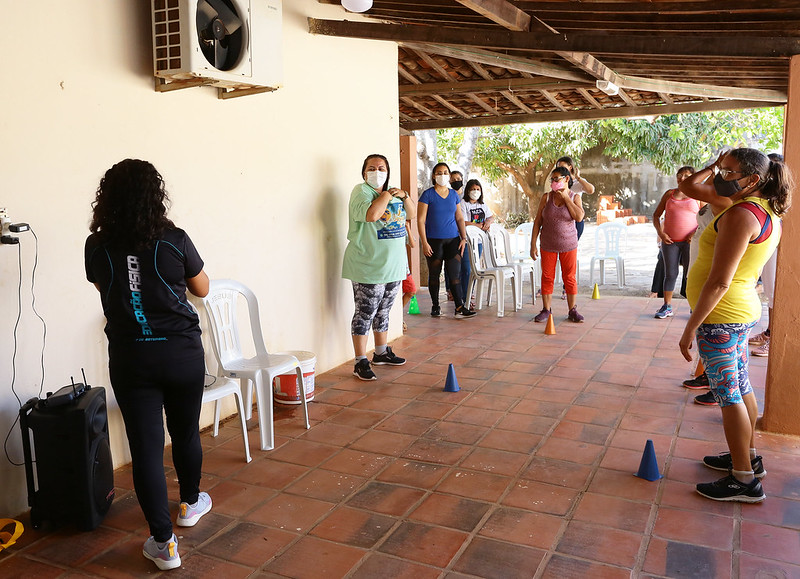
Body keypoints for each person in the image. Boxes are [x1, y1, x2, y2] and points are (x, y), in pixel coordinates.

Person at [84, 159, 212, 570]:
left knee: (145, 449)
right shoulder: (174, 238)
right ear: (155, 195)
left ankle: (164, 543)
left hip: (132, 356)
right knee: (185, 432)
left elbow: (109, 291)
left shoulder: (96, 245)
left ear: (108, 199)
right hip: (181, 354)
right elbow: (203, 288)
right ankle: (190, 504)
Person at [679, 148, 792, 503]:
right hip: (738, 313)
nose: (720, 177)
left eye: (728, 172)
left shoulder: (743, 214)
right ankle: (749, 456)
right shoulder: (765, 210)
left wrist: (690, 328)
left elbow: (719, 282)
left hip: (721, 316)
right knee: (740, 386)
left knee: (728, 395)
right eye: (721, 170)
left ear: (753, 180)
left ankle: (743, 479)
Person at [343, 154, 415, 380]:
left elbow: (411, 215)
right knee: (365, 312)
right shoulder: (361, 192)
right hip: (368, 266)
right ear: (364, 173)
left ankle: (381, 352)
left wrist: (404, 196)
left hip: (393, 266)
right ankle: (359, 360)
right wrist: (385, 195)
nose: (377, 171)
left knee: (384, 311)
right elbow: (371, 214)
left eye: (381, 167)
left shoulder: (395, 193)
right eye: (371, 168)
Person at [418, 162, 476, 318]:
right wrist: (424, 242)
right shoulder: (427, 195)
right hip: (433, 241)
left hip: (453, 241)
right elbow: (420, 220)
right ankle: (435, 306)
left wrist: (463, 238)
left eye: (445, 172)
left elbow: (459, 217)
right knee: (434, 275)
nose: (442, 175)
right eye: (439, 172)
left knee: (454, 274)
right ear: (433, 176)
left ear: (449, 176)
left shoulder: (453, 195)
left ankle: (459, 307)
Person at [530, 166, 585, 323]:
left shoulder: (575, 197)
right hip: (548, 244)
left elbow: (579, 217)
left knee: (569, 277)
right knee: (547, 277)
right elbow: (538, 221)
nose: (553, 182)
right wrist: (533, 243)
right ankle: (546, 310)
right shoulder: (546, 197)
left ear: (566, 179)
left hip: (569, 244)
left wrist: (566, 198)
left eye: (556, 179)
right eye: (551, 180)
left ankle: (572, 310)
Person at [652, 166, 700, 318]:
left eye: (687, 175)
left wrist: (694, 233)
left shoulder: (698, 196)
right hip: (670, 241)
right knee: (670, 273)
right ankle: (667, 306)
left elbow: (706, 219)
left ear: (693, 177)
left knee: (690, 274)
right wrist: (661, 233)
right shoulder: (669, 194)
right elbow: (656, 215)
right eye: (680, 175)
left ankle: (694, 306)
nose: (682, 178)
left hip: (690, 242)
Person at [458, 178, 494, 308]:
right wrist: (478, 226)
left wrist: (488, 222)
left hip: (478, 242)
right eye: (473, 189)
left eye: (478, 189)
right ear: (468, 190)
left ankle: (469, 294)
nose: (475, 191)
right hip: (466, 241)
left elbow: (491, 216)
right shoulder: (463, 203)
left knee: (474, 270)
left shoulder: (482, 204)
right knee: (466, 269)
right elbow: (462, 221)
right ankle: (464, 298)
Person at [444, 171, 465, 302]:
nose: (456, 181)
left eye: (458, 178)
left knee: (462, 267)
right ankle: (450, 291)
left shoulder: (463, 196)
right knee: (449, 267)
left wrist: (464, 237)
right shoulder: (448, 194)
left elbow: (461, 218)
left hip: (461, 237)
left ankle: (464, 294)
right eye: (453, 179)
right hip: (449, 236)